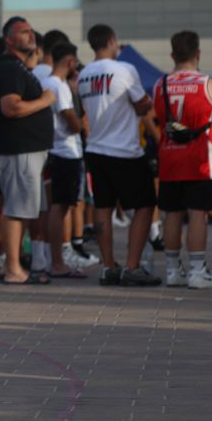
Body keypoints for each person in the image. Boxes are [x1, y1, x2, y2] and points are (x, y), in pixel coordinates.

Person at [78, 24, 161, 287]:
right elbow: (142, 105)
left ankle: (108, 266)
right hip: (125, 149)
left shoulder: (83, 75)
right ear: (112, 41)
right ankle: (132, 266)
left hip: (96, 149)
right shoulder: (125, 69)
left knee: (103, 207)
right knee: (145, 205)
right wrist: (146, 103)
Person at [153, 31, 212, 289]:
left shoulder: (159, 84)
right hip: (199, 160)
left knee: (171, 215)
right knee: (198, 215)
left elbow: (159, 118)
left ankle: (173, 271)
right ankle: (197, 271)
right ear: (198, 53)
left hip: (170, 159)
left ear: (173, 55)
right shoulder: (209, 84)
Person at [0, 17, 55, 285]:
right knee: (17, 209)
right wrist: (45, 100)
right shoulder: (8, 69)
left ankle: (11, 265)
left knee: (23, 209)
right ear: (9, 40)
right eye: (23, 32)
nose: (31, 35)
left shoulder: (17, 67)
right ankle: (14, 268)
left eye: (31, 31)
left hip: (25, 151)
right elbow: (11, 107)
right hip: (18, 150)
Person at [39, 42, 89, 278]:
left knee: (56, 207)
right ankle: (57, 262)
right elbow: (71, 119)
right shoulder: (58, 86)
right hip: (65, 151)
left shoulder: (48, 82)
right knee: (60, 208)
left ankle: (53, 259)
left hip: (55, 151)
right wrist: (83, 124)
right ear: (69, 62)